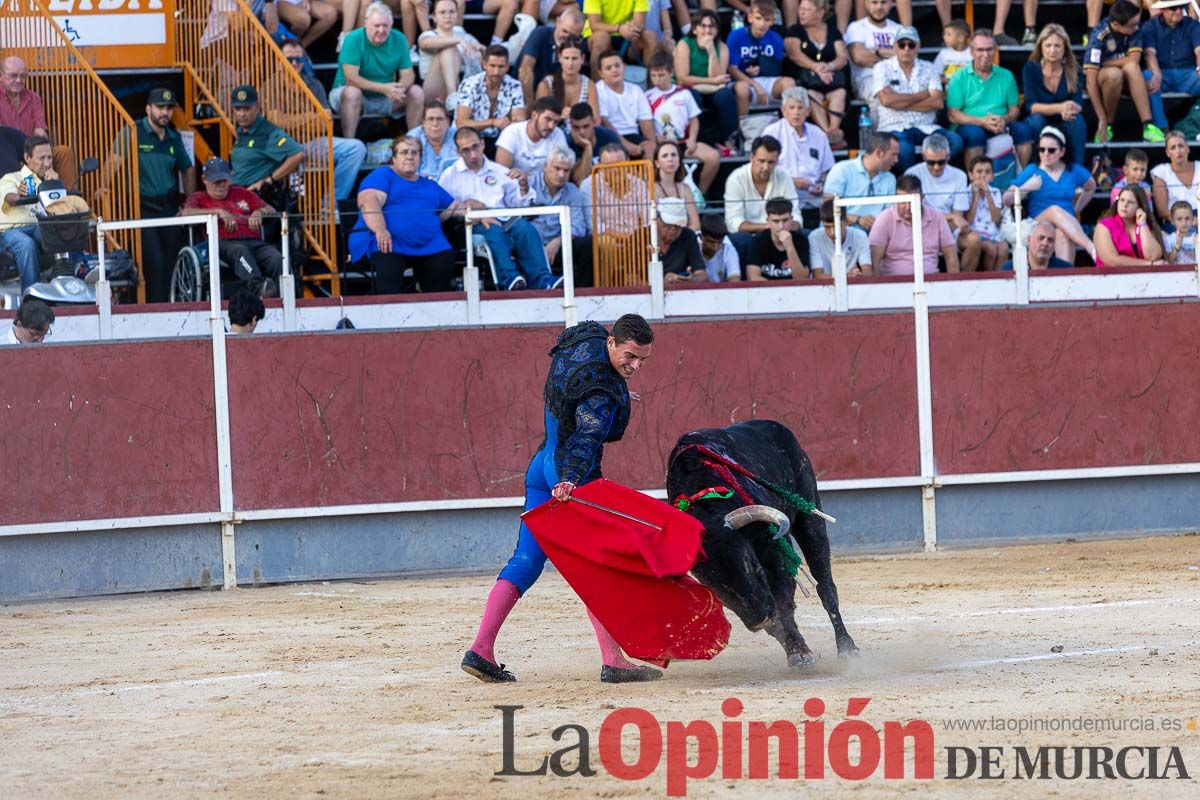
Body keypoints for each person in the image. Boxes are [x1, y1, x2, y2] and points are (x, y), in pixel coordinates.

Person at [462, 313, 660, 685]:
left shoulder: (585, 340)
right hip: (569, 475)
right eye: (629, 357)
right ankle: (613, 661)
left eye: (642, 360)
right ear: (613, 343)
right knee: (598, 568)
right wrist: (570, 478)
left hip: (540, 466)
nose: (634, 366)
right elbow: (586, 437)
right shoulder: (601, 393)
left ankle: (480, 650)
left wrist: (616, 389)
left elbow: (572, 372)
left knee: (526, 559)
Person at [439, 127, 560, 290]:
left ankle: (543, 279)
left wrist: (523, 188)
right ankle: (509, 279)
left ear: (482, 144)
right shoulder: (449, 175)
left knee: (526, 229)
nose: (473, 155)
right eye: (466, 150)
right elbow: (443, 209)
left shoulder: (499, 171)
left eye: (475, 147)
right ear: (458, 152)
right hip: (470, 225)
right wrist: (470, 211)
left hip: (504, 218)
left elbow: (519, 204)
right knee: (494, 230)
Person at [348, 135, 464, 293]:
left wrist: (479, 211)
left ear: (420, 158)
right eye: (404, 152)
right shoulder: (383, 175)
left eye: (414, 153)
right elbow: (368, 202)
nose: (410, 156)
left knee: (444, 262)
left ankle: (436, 313)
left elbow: (455, 206)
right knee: (389, 266)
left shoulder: (429, 185)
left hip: (429, 244)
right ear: (394, 158)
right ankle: (388, 314)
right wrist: (380, 230)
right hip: (389, 242)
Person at [112, 87, 195, 303]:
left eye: (169, 108)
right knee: (154, 262)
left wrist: (190, 202)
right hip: (143, 208)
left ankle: (170, 307)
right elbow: (113, 163)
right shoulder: (132, 131)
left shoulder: (174, 137)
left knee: (170, 262)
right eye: (160, 107)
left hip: (168, 207)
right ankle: (156, 310)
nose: (165, 112)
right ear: (148, 109)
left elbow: (187, 168)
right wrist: (103, 189)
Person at [278, 41, 368, 203]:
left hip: (312, 143)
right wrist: (311, 117)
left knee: (356, 148)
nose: (294, 63)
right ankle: (294, 204)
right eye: (289, 59)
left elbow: (326, 122)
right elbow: (277, 123)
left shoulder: (314, 84)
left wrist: (293, 121)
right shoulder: (270, 86)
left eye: (299, 59)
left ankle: (331, 204)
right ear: (279, 59)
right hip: (283, 146)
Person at [181, 158, 283, 298]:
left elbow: (271, 209)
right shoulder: (198, 197)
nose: (221, 185)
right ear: (205, 179)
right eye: (216, 181)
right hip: (222, 243)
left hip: (254, 241)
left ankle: (286, 296)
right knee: (240, 251)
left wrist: (259, 212)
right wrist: (218, 211)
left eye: (224, 180)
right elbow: (186, 213)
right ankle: (259, 289)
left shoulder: (241, 193)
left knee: (276, 258)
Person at [872, 26, 962, 172]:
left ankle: (932, 174)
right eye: (902, 45)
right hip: (894, 126)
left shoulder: (929, 67)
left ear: (918, 47)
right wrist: (923, 94)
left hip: (926, 126)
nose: (906, 49)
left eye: (911, 45)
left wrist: (898, 102)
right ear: (895, 46)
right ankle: (908, 185)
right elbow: (886, 101)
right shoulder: (882, 67)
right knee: (905, 149)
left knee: (955, 141)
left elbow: (937, 103)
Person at [330, 2, 426, 138]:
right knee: (352, 93)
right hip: (350, 94)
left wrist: (399, 88)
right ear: (365, 23)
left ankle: (414, 143)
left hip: (386, 95)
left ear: (391, 24)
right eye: (376, 26)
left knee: (416, 92)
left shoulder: (399, 39)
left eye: (385, 26)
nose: (381, 30)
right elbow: (351, 79)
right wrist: (384, 88)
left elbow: (408, 75)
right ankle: (349, 142)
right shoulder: (353, 39)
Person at [1005, 126, 1097, 264]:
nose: (1045, 154)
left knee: (1062, 234)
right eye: (1042, 149)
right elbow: (1006, 199)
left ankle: (1064, 279)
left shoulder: (1072, 170)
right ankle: (1092, 248)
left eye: (1051, 150)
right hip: (1038, 221)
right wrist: (1027, 187)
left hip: (1066, 225)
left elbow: (1091, 187)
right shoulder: (1032, 170)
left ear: (1062, 151)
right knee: (1054, 210)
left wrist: (1076, 209)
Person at [946, 29, 1034, 169]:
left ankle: (1020, 183)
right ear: (972, 51)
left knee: (1024, 130)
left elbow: (1014, 111)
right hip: (969, 124)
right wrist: (982, 122)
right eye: (980, 50)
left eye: (989, 49)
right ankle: (976, 184)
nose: (985, 54)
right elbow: (953, 115)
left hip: (1000, 123)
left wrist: (1002, 120)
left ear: (995, 50)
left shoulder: (1006, 75)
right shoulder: (959, 77)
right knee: (975, 134)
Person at [1084, 1, 1164, 144]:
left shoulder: (1134, 28)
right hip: (1106, 79)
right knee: (1114, 74)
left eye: (1136, 23)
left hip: (1130, 77)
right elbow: (1090, 81)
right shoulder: (1099, 35)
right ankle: (1107, 125)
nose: (1136, 27)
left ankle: (1148, 126)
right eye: (1131, 25)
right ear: (1115, 25)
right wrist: (1100, 118)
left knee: (1132, 67)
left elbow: (1134, 59)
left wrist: (1105, 62)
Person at [644, 52, 720, 193]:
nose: (657, 80)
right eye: (653, 76)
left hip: (684, 143)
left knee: (713, 157)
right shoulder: (647, 96)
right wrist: (655, 138)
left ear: (671, 72)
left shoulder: (684, 93)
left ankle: (700, 195)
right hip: (662, 145)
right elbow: (645, 123)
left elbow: (694, 119)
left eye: (661, 75)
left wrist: (692, 139)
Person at [723, 135, 804, 262]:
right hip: (751, 236)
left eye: (771, 162)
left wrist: (784, 227)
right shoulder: (736, 179)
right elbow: (733, 223)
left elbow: (796, 216)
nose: (766, 167)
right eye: (761, 161)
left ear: (777, 161)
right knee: (742, 239)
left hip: (781, 232)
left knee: (804, 235)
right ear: (751, 157)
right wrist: (768, 227)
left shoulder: (784, 177)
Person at [904, 133, 979, 271]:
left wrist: (952, 219)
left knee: (974, 240)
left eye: (941, 162)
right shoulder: (912, 174)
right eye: (931, 162)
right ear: (924, 157)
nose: (936, 167)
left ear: (948, 157)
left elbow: (959, 217)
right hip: (921, 228)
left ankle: (963, 283)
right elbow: (915, 213)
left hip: (947, 228)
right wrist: (951, 217)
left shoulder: (959, 176)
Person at [0, 56, 76, 189]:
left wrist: (42, 155)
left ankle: (68, 199)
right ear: (1, 75)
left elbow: (40, 131)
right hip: (8, 154)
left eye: (23, 76)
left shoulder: (33, 98)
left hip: (34, 150)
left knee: (64, 153)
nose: (18, 80)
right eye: (13, 75)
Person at [229, 85, 308, 209]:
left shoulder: (268, 132)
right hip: (238, 196)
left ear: (258, 108)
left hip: (259, 199)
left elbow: (298, 154)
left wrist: (269, 180)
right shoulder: (241, 131)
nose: (242, 114)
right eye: (238, 108)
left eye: (247, 108)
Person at [784, 0, 849, 147]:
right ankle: (827, 135)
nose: (801, 13)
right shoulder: (795, 30)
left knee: (839, 93)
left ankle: (834, 129)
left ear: (820, 13)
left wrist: (828, 66)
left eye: (806, 10)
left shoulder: (832, 31)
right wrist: (815, 67)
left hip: (830, 79)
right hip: (807, 80)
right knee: (812, 94)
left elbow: (842, 57)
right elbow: (794, 54)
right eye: (800, 9)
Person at [761, 87, 833, 215]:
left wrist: (821, 183)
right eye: (791, 108)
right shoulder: (772, 133)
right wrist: (792, 181)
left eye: (800, 108)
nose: (796, 113)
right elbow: (762, 169)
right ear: (783, 111)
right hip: (782, 199)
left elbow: (826, 170)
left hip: (814, 199)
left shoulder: (819, 134)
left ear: (808, 111)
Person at [868, 174, 958, 275]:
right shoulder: (884, 218)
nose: (908, 207)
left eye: (912, 202)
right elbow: (874, 262)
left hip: (931, 282)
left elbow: (951, 257)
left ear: (922, 198)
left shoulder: (937, 217)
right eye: (903, 202)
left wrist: (952, 289)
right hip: (893, 284)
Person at [1022, 25, 1086, 167]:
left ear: (1064, 49)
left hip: (1065, 119)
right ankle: (1037, 169)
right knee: (1036, 121)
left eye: (1057, 46)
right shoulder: (1030, 69)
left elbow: (1078, 103)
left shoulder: (1074, 70)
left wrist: (1070, 108)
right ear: (1041, 48)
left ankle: (1076, 172)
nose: (1052, 50)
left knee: (1077, 120)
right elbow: (1031, 106)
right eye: (1048, 45)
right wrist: (1059, 108)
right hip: (1039, 118)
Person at [673, 9, 737, 149]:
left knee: (725, 96)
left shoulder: (722, 47)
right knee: (693, 97)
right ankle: (697, 141)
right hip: (689, 87)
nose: (707, 30)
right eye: (703, 26)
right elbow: (682, 78)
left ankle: (730, 141)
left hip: (710, 88)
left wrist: (712, 52)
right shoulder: (685, 44)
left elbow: (719, 78)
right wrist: (712, 82)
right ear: (695, 29)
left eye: (712, 26)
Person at [529, 147, 592, 284]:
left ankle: (584, 294)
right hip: (529, 246)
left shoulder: (573, 191)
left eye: (566, 170)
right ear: (545, 166)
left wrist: (557, 242)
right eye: (557, 168)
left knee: (587, 244)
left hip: (558, 246)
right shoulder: (529, 185)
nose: (561, 174)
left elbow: (578, 227)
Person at [0, 135, 55, 291]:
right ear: (27, 157)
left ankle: (70, 279)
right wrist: (20, 196)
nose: (47, 163)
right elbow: (9, 198)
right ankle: (31, 300)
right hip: (9, 232)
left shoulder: (49, 181)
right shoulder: (11, 178)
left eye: (50, 158)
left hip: (38, 227)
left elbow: (59, 212)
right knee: (26, 244)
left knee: (57, 235)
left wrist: (54, 186)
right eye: (42, 158)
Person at [728, 0, 796, 117]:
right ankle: (742, 128)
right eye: (758, 18)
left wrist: (762, 68)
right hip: (744, 81)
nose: (762, 24)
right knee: (741, 88)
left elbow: (776, 69)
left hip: (768, 81)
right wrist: (754, 84)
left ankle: (788, 126)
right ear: (750, 18)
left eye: (767, 19)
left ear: (773, 21)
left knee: (789, 83)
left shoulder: (776, 38)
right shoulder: (736, 36)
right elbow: (732, 69)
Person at [455, 45, 527, 154]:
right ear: (484, 65)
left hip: (500, 139)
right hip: (471, 139)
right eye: (492, 66)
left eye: (501, 66)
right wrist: (493, 122)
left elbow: (519, 121)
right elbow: (461, 123)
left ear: (507, 67)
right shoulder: (470, 85)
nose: (496, 71)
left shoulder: (515, 86)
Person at [1142, 0, 1200, 134]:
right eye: (1173, 8)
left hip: (1188, 74)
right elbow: (1149, 53)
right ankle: (1162, 128)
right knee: (1147, 76)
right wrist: (1156, 73)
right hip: (1163, 75)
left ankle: (1196, 124)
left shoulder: (1192, 24)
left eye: (1181, 7)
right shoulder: (1150, 26)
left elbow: (1199, 50)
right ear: (1163, 10)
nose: (1179, 11)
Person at [822, 131, 899, 232]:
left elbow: (890, 213)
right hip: (843, 232)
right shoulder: (841, 169)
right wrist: (858, 219)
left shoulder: (890, 178)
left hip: (876, 233)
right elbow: (828, 208)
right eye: (893, 155)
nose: (896, 160)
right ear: (879, 153)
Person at [417, 0, 484, 102]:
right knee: (449, 48)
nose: (447, 16)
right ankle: (452, 96)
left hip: (460, 84)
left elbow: (486, 52)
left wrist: (481, 49)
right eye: (442, 12)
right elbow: (425, 43)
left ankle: (473, 96)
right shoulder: (429, 34)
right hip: (433, 89)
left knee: (477, 54)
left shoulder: (462, 33)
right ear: (434, 17)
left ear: (457, 14)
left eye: (451, 12)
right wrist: (458, 40)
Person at [595, 50, 656, 160]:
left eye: (617, 65)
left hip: (633, 134)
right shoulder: (598, 90)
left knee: (650, 147)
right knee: (618, 154)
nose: (614, 70)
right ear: (601, 73)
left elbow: (646, 120)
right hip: (610, 136)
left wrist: (653, 146)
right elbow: (605, 122)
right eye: (608, 68)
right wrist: (626, 145)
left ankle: (646, 177)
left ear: (624, 67)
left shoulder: (635, 90)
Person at [519, 7, 586, 101]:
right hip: (526, 93)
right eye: (565, 31)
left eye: (573, 36)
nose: (567, 37)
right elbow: (526, 68)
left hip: (553, 98)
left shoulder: (578, 44)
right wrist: (529, 101)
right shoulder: (540, 34)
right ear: (558, 22)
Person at [536, 37, 600, 133]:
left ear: (582, 59)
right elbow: (538, 119)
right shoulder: (546, 84)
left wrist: (576, 117)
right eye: (566, 58)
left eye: (574, 58)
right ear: (559, 58)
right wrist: (558, 116)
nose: (570, 63)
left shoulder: (589, 85)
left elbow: (596, 121)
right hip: (552, 135)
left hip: (581, 135)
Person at [1093, 186, 1166, 269]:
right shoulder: (1103, 226)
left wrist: (1142, 224)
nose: (1124, 205)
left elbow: (1153, 256)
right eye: (1122, 200)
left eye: (1130, 202)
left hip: (1142, 279)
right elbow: (1112, 261)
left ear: (1139, 207)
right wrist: (1148, 264)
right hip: (1110, 278)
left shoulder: (1144, 225)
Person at [844, 0, 900, 103]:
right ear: (866, 4)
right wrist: (890, 54)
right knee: (881, 97)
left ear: (891, 4)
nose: (879, 7)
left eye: (883, 2)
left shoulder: (898, 29)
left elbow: (906, 57)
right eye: (874, 2)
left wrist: (876, 51)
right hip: (867, 79)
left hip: (896, 77)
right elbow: (859, 57)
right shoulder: (856, 27)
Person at [496, 96, 568, 175]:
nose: (551, 126)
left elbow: (561, 171)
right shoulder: (512, 132)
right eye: (548, 119)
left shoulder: (558, 134)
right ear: (534, 115)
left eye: (556, 122)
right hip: (515, 184)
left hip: (545, 185)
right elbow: (502, 172)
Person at [747, 196, 812, 280]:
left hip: (795, 291)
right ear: (768, 221)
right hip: (766, 292)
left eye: (785, 220)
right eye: (776, 221)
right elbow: (753, 278)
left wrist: (789, 247)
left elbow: (802, 279)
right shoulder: (758, 241)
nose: (781, 226)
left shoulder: (801, 240)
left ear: (792, 220)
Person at [583, 0, 654, 75]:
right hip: (600, 36)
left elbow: (639, 23)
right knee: (602, 38)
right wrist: (619, 28)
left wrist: (632, 28)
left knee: (650, 36)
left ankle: (652, 83)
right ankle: (597, 85)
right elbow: (594, 25)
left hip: (627, 38)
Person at [965, 156, 1010, 271]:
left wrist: (988, 194)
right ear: (971, 175)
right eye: (979, 172)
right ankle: (988, 279)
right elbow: (968, 220)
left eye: (987, 172)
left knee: (1004, 248)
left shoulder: (995, 192)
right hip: (975, 232)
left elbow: (996, 218)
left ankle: (1000, 281)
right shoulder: (966, 192)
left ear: (992, 176)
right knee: (991, 249)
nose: (983, 175)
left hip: (993, 233)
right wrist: (975, 196)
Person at [808, 198, 871, 277]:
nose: (832, 232)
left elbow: (868, 273)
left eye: (836, 226)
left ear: (846, 221)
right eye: (827, 227)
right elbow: (818, 276)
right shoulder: (814, 237)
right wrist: (847, 277)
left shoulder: (861, 236)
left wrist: (858, 274)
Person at [565, 102, 621, 184]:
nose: (581, 132)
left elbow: (622, 169)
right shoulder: (568, 143)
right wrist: (587, 148)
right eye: (576, 127)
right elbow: (579, 182)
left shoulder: (608, 136)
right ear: (570, 125)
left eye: (586, 126)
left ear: (594, 122)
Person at [1151, 129, 1200, 222]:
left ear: (1188, 148)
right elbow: (1162, 211)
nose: (1178, 150)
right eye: (1173, 148)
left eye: (1181, 146)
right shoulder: (1161, 172)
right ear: (1167, 153)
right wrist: (1187, 221)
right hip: (1175, 222)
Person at [653, 141, 700, 230]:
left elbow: (696, 224)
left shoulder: (685, 189)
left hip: (684, 238)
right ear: (657, 163)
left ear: (679, 161)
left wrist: (681, 237)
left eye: (674, 155)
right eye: (665, 156)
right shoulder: (650, 188)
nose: (670, 159)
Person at [657, 197, 706, 282]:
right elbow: (629, 278)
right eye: (668, 224)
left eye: (678, 226)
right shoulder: (640, 237)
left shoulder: (688, 236)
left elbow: (701, 274)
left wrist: (690, 280)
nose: (673, 230)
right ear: (657, 219)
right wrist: (661, 282)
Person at [409, 98, 459, 179]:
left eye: (439, 119)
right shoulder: (412, 138)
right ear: (423, 123)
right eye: (430, 119)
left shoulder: (458, 137)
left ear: (448, 122)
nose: (435, 123)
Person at [699, 214, 741, 282]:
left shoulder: (729, 250)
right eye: (711, 242)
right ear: (701, 237)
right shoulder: (692, 248)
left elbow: (735, 281)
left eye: (719, 242)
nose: (715, 247)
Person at [932, 20, 972, 88]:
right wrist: (951, 81)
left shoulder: (973, 53)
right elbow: (935, 75)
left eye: (948, 34)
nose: (944, 37)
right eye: (944, 34)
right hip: (950, 94)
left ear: (961, 38)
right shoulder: (943, 54)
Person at [1162, 200, 1196, 264]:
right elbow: (1169, 262)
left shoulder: (1197, 238)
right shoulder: (1168, 239)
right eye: (1179, 219)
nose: (1184, 223)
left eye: (1187, 218)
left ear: (1193, 219)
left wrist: (1196, 247)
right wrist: (1176, 247)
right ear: (1172, 221)